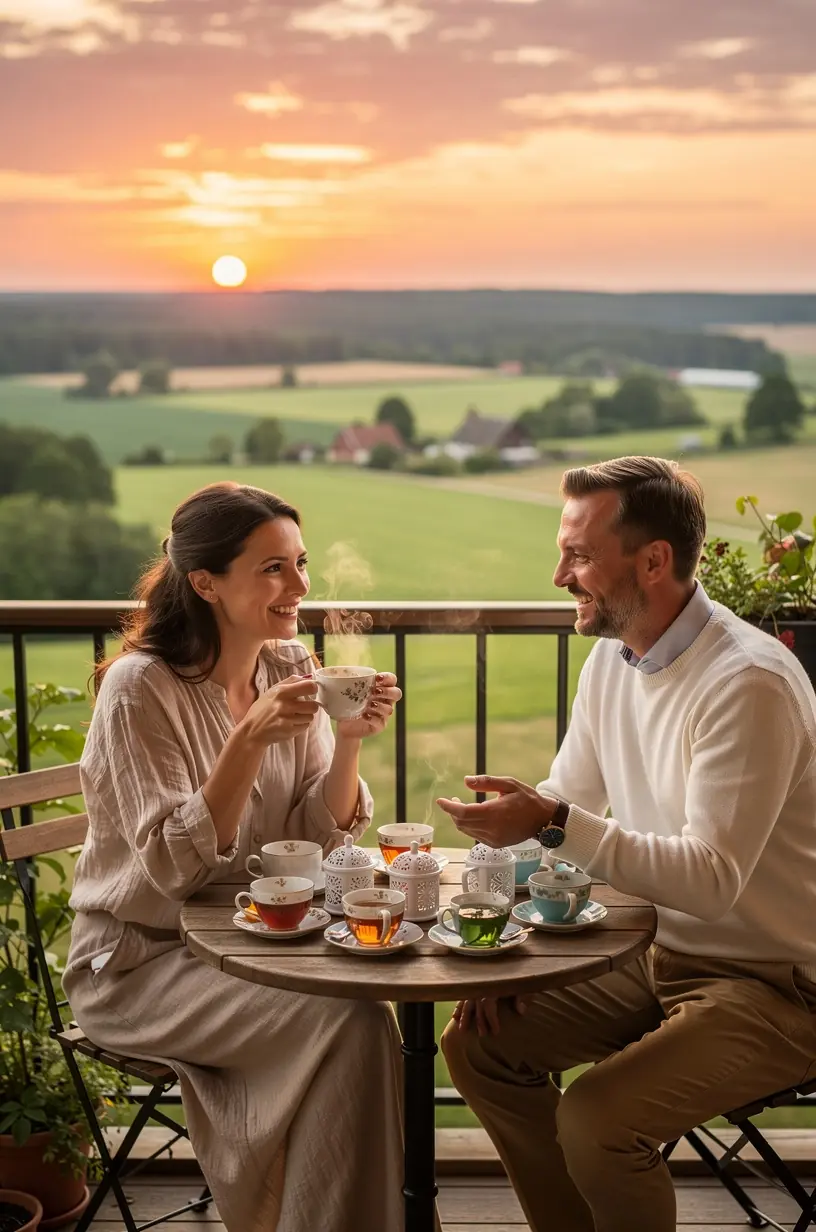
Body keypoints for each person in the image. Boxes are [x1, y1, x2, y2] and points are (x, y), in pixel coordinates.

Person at [437, 456, 816, 1232]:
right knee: (480, 1046)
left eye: (579, 555)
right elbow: (566, 808)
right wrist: (508, 942)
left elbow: (710, 880)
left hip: (778, 987)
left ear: (654, 561)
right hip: (654, 956)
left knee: (596, 1121)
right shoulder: (613, 661)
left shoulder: (747, 683)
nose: (558, 576)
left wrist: (550, 821)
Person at [64, 482, 404, 1232]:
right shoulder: (139, 691)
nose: (299, 587)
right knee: (349, 1025)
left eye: (301, 563)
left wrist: (347, 737)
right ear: (206, 582)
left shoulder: (289, 666)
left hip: (255, 940)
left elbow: (315, 842)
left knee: (363, 1020)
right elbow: (169, 871)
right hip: (140, 963)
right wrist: (246, 740)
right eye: (272, 568)